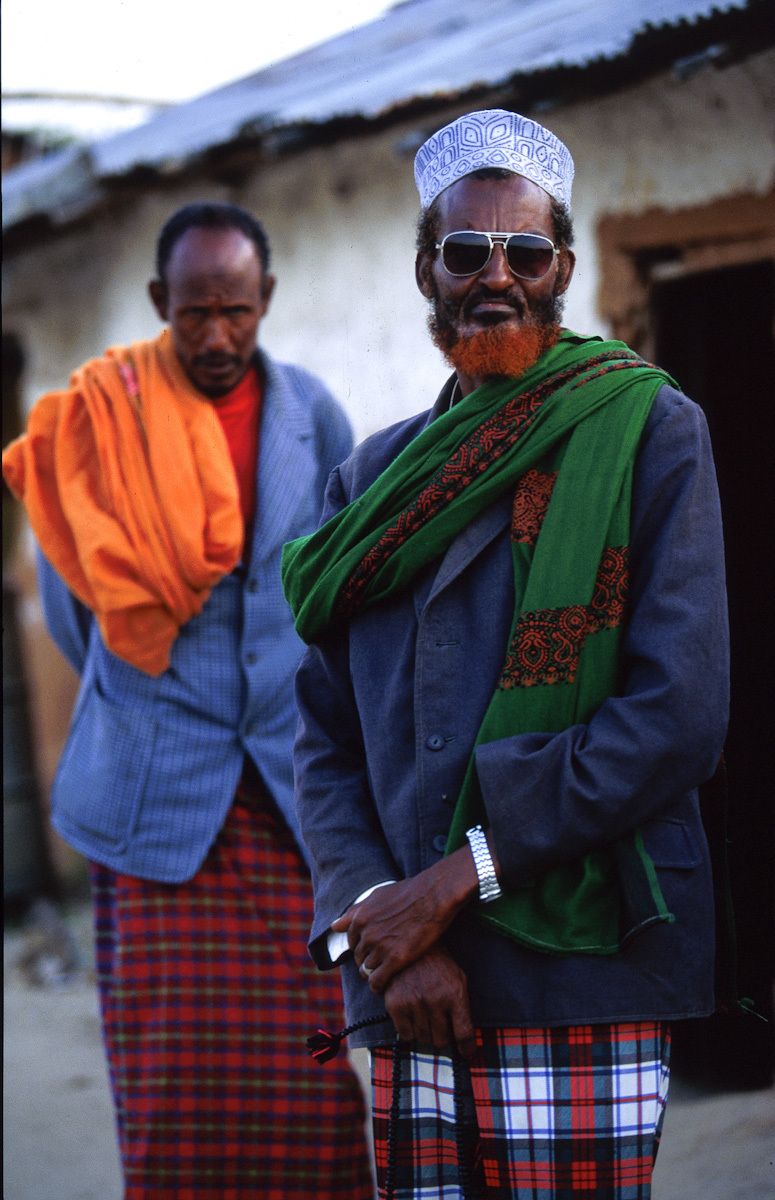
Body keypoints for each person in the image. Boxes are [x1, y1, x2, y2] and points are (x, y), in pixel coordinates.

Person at [282, 111, 729, 1199]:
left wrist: (452, 882)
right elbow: (325, 741)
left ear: (562, 269)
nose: (496, 276)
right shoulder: (369, 484)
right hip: (409, 979)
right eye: (465, 251)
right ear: (425, 272)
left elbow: (676, 716)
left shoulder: (647, 431)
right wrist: (391, 926)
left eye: (525, 252)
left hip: (585, 961)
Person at [3, 202, 373, 1199]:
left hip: (285, 795)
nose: (216, 335)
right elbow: (76, 609)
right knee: (174, 1086)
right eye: (194, 312)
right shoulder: (102, 417)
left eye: (236, 311)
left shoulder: (311, 415)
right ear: (159, 300)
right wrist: (157, 689)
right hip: (154, 797)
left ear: (267, 299)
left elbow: (333, 589)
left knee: (310, 1073)